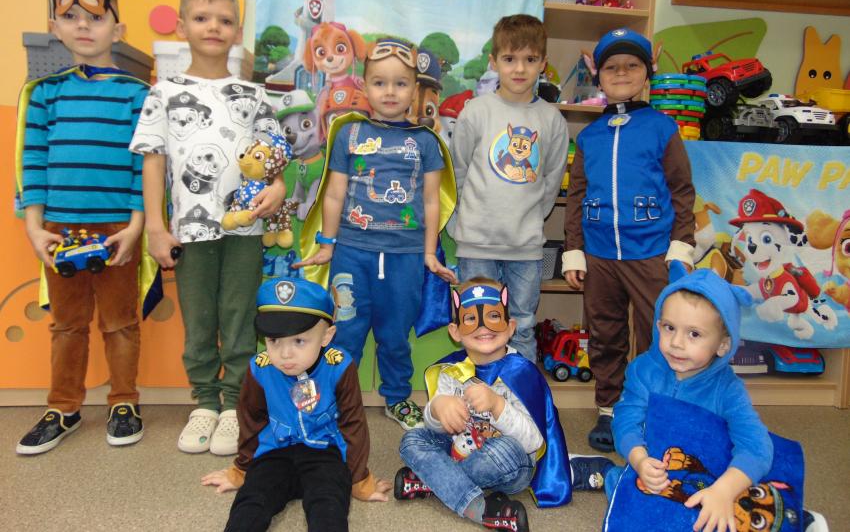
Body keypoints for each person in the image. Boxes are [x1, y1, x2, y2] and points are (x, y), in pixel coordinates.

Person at [130, 0, 285, 455]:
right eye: (201, 18)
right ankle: (203, 401)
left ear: (237, 31)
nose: (213, 27)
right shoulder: (163, 92)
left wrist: (278, 188)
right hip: (190, 230)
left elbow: (274, 159)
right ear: (182, 26)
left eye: (224, 20)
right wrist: (156, 228)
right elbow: (153, 162)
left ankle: (233, 401)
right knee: (199, 318)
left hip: (246, 228)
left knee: (239, 315)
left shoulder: (254, 95)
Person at [15, 0, 150, 454]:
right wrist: (34, 227)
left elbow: (143, 165)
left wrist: (136, 225)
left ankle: (124, 401)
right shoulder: (45, 94)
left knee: (120, 321)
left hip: (117, 228)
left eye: (95, 17)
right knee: (67, 324)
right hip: (59, 229)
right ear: (56, 28)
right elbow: (33, 162)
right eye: (70, 17)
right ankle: (64, 406)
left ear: (119, 29)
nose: (83, 26)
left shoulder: (136, 94)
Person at [296, 38, 456, 430]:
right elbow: (333, 194)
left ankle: (397, 397)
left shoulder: (425, 141)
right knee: (345, 331)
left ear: (414, 90)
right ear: (364, 86)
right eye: (380, 82)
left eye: (400, 83)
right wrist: (327, 245)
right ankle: (336, 398)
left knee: (396, 335)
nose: (390, 92)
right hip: (352, 253)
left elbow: (431, 201)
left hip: (405, 256)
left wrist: (429, 253)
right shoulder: (348, 134)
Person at [608, 263, 827, 532]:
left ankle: (800, 518)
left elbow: (756, 446)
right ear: (657, 325)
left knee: (743, 510)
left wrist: (724, 490)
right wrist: (639, 459)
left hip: (712, 470)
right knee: (629, 493)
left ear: (723, 345)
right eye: (669, 328)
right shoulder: (643, 369)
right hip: (659, 465)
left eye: (694, 334)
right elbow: (625, 420)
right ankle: (603, 473)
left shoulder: (728, 390)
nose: (676, 343)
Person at [562, 27, 695, 452]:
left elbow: (681, 190)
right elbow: (576, 196)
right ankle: (610, 407)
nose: (621, 73)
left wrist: (680, 246)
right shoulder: (589, 136)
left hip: (651, 253)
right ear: (597, 75)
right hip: (599, 255)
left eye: (631, 65)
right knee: (604, 332)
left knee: (659, 333)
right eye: (612, 67)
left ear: (647, 71)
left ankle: (657, 408)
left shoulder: (663, 128)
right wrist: (574, 250)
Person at [394, 278, 613, 532]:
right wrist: (437, 408)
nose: (483, 326)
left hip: (508, 465)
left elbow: (533, 442)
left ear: (510, 328)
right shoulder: (451, 371)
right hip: (459, 450)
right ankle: (479, 508)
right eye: (470, 319)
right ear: (455, 332)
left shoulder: (521, 373)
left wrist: (498, 405)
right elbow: (436, 427)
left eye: (494, 316)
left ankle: (434, 480)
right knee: (412, 439)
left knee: (504, 450)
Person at [201, 276, 391, 532]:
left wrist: (358, 478)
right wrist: (242, 468)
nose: (284, 354)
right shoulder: (259, 368)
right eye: (274, 340)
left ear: (327, 336)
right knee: (250, 502)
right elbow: (251, 419)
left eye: (299, 341)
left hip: (325, 453)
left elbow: (352, 423)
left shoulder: (340, 366)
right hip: (273, 453)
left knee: (329, 506)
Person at [450, 14, 569, 363]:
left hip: (525, 247)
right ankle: (479, 393)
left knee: (523, 324)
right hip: (476, 243)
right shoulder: (476, 112)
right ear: (494, 62)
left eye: (530, 59)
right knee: (476, 324)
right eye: (509, 58)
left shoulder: (552, 120)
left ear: (543, 64)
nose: (519, 68)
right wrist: (466, 220)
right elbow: (458, 172)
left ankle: (520, 393)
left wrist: (527, 219)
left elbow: (551, 182)